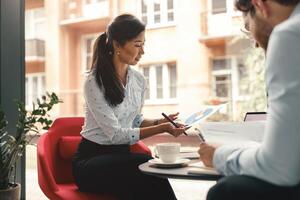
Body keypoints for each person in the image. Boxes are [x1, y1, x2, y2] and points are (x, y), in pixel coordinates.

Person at [72, 14, 188, 200]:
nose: (142, 51)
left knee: (147, 181)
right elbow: (117, 134)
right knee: (147, 165)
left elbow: (134, 120)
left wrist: (165, 122)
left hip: (121, 159)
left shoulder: (139, 80)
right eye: (137, 44)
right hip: (90, 164)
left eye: (143, 44)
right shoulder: (94, 82)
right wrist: (162, 128)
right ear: (117, 45)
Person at [198, 0, 300, 200]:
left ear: (260, 5)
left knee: (227, 190)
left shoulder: (289, 34)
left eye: (248, 27)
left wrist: (219, 156)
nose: (254, 41)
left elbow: (279, 168)